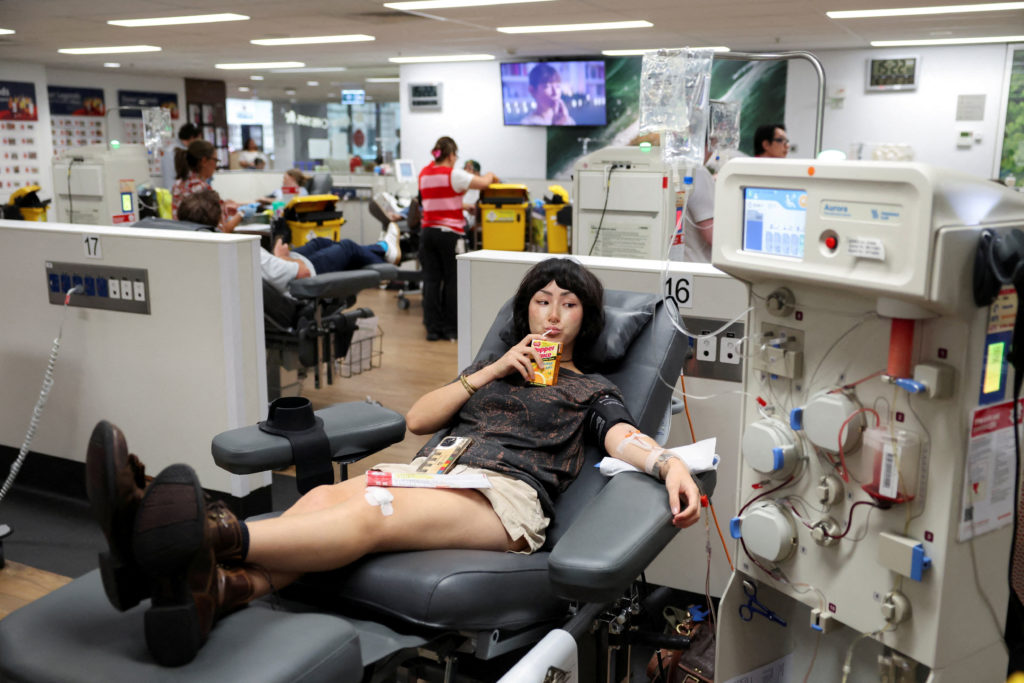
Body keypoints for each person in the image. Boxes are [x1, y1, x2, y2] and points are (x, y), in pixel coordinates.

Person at [86, 256, 702, 665]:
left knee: (374, 510)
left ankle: (187, 534)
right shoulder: (491, 375)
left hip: (506, 499)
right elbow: (418, 421)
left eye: (569, 305)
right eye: (543, 300)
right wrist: (489, 369)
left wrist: (667, 464)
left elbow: (623, 436)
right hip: (438, 473)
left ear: (584, 322)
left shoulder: (588, 388)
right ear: (526, 310)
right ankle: (213, 588)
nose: (553, 313)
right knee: (326, 498)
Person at [176, 190, 400, 296]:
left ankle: (383, 250)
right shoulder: (240, 250)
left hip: (282, 264)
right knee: (347, 247)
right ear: (218, 217)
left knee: (321, 241)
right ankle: (385, 251)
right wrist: (281, 256)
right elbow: (300, 272)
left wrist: (279, 256)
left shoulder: (200, 247)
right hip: (303, 274)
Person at [418, 136, 498, 342]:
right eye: (455, 156)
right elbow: (483, 183)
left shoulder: (424, 174)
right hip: (450, 236)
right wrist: (490, 174)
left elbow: (437, 199)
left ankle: (432, 329)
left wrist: (461, 206)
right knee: (453, 281)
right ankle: (451, 328)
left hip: (428, 234)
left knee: (432, 281)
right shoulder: (453, 174)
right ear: (452, 155)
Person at [172, 139, 242, 232]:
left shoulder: (179, 184)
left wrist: (223, 208)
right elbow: (222, 230)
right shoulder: (202, 189)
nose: (216, 166)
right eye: (215, 160)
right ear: (204, 161)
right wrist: (241, 214)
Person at [161, 123, 199, 190]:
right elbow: (169, 178)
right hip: (175, 191)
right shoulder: (171, 152)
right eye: (198, 140)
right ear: (192, 137)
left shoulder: (186, 149)